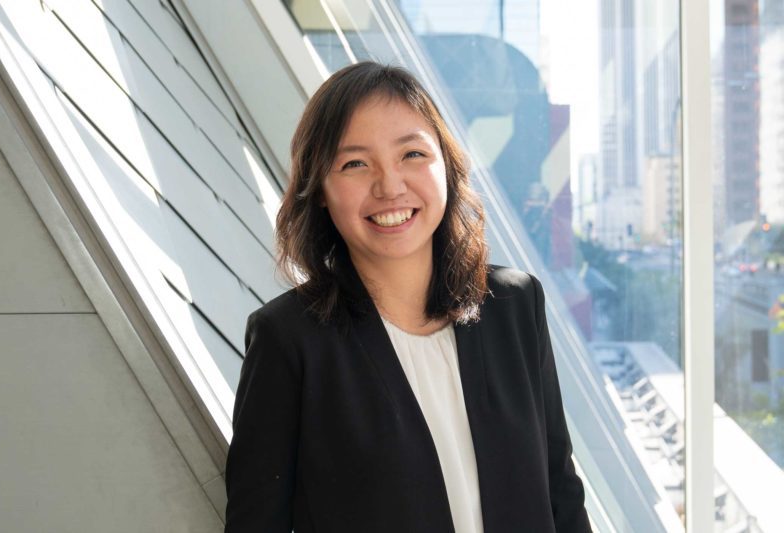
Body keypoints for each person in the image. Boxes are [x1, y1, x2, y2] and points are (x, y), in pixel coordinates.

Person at [224, 61, 591, 533]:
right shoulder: (288, 341)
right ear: (318, 190)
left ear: (447, 165)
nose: (390, 186)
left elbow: (560, 491)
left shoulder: (516, 306)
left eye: (412, 155)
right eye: (354, 163)